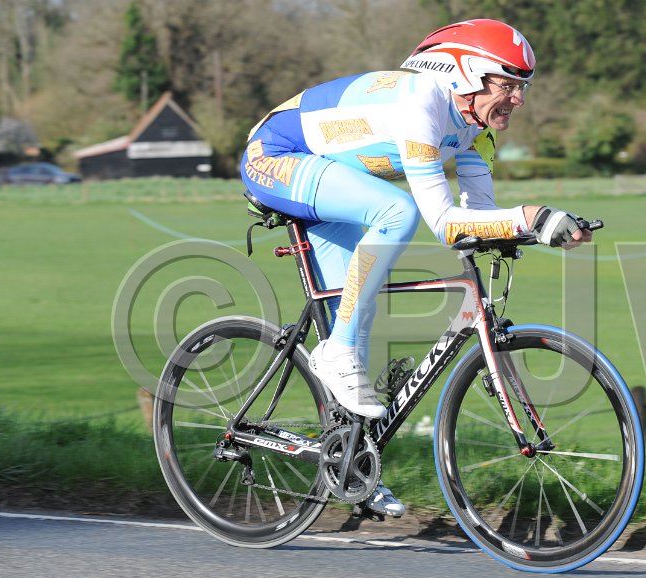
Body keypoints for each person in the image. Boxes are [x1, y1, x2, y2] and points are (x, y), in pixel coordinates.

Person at [240, 18, 591, 517]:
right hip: (277, 156)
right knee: (396, 213)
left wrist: (541, 227)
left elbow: (478, 218)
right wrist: (529, 216)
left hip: (330, 175)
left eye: (523, 87)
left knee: (354, 316)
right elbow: (445, 225)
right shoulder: (421, 105)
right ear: (469, 75)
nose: (518, 99)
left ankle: (350, 465)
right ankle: (334, 353)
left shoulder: (476, 131)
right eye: (508, 85)